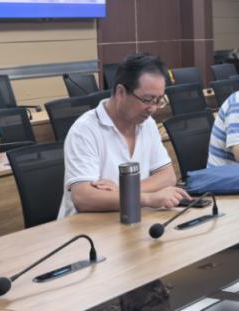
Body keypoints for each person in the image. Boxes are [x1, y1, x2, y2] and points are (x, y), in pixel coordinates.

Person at [59, 53, 188, 219]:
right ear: (120, 92)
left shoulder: (147, 124)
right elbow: (83, 198)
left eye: (158, 101)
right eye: (147, 99)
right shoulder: (85, 130)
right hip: (86, 227)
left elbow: (168, 176)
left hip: (131, 219)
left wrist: (122, 191)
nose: (153, 108)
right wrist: (147, 198)